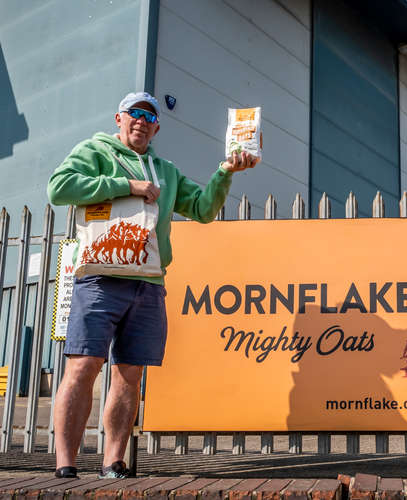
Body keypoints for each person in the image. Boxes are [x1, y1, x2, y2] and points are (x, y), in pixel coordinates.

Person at [47, 91, 259, 479]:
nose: (141, 121)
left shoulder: (167, 171)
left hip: (148, 284)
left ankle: (113, 461)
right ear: (118, 119)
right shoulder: (95, 151)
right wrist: (128, 185)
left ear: (157, 126)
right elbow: (59, 188)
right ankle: (65, 465)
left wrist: (225, 172)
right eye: (134, 114)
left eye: (149, 116)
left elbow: (202, 210)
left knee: (130, 374)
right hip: (99, 276)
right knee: (84, 366)